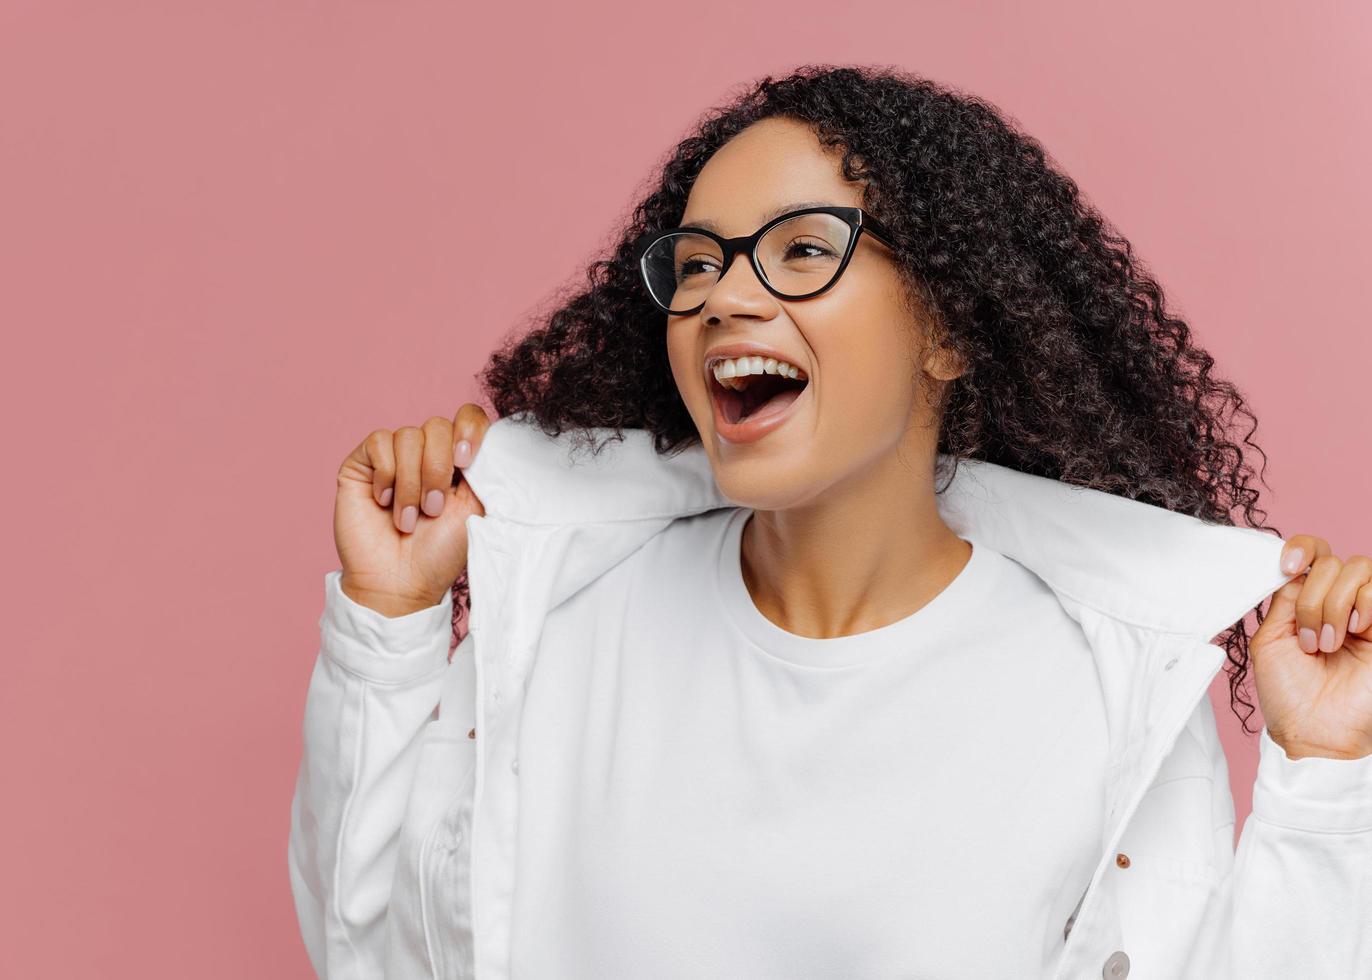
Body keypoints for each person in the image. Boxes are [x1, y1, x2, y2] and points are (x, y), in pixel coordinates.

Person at [290, 65, 1372, 979]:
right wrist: (389, 622)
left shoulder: (1103, 679)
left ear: (948, 328)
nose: (723, 296)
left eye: (803, 250)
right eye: (698, 261)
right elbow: (373, 950)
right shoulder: (564, 621)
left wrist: (1323, 773)